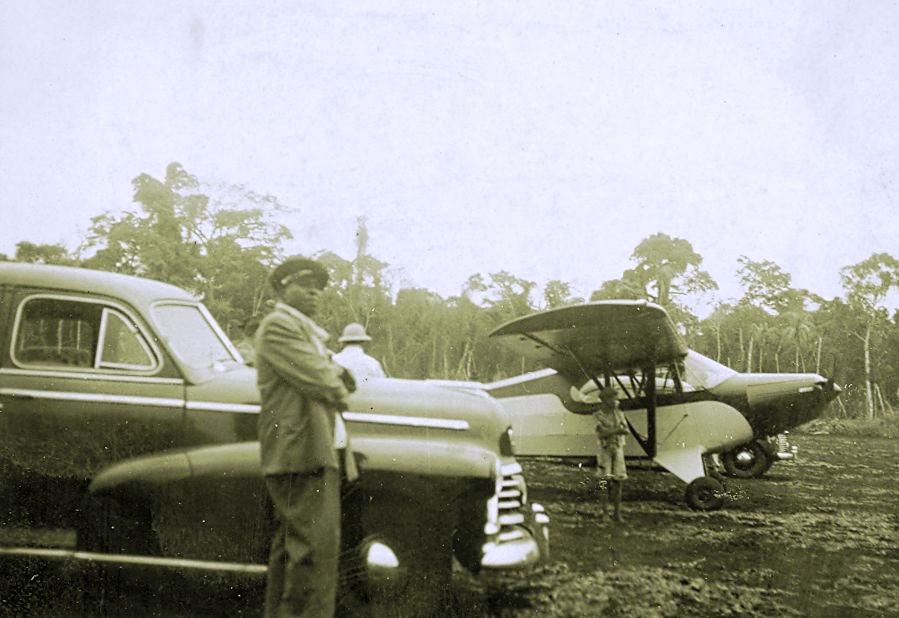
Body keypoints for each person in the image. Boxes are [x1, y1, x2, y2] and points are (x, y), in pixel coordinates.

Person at [254, 256, 357, 617]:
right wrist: (336, 380)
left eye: (319, 287)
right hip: (301, 453)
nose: (315, 293)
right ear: (283, 288)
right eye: (305, 285)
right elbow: (329, 383)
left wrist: (335, 375)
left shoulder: (304, 332)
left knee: (294, 553)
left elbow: (338, 376)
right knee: (315, 555)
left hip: (306, 450)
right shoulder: (280, 327)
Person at [593, 384, 629, 522]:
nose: (615, 401)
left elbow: (626, 430)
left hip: (618, 449)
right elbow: (601, 434)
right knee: (603, 481)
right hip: (605, 451)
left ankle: (617, 513)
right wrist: (616, 430)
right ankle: (605, 513)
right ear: (605, 400)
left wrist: (611, 431)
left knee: (618, 481)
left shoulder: (619, 414)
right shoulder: (598, 415)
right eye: (613, 398)